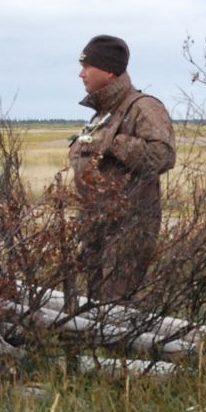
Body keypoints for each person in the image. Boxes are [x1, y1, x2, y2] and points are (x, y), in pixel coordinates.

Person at [68, 34, 176, 303]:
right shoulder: (103, 113)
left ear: (108, 70)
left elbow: (163, 155)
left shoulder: (143, 108)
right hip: (95, 225)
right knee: (95, 306)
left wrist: (114, 143)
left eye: (87, 67)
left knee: (116, 308)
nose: (81, 74)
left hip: (129, 228)